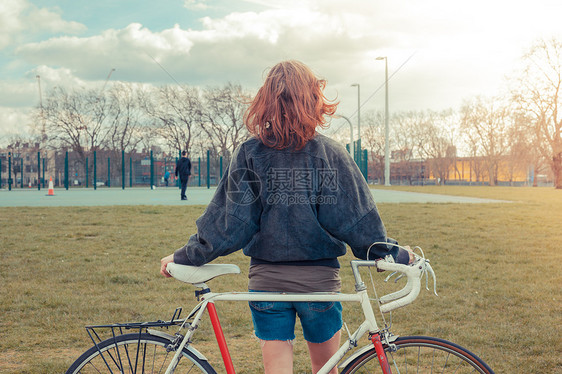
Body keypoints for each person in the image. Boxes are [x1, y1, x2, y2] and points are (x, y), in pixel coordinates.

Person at [160, 60, 413, 374]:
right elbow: (357, 223)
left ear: (265, 103)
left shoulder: (250, 153)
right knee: (326, 368)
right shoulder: (330, 154)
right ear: (313, 101)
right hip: (318, 282)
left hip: (267, 281)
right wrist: (395, 254)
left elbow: (230, 223)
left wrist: (188, 254)